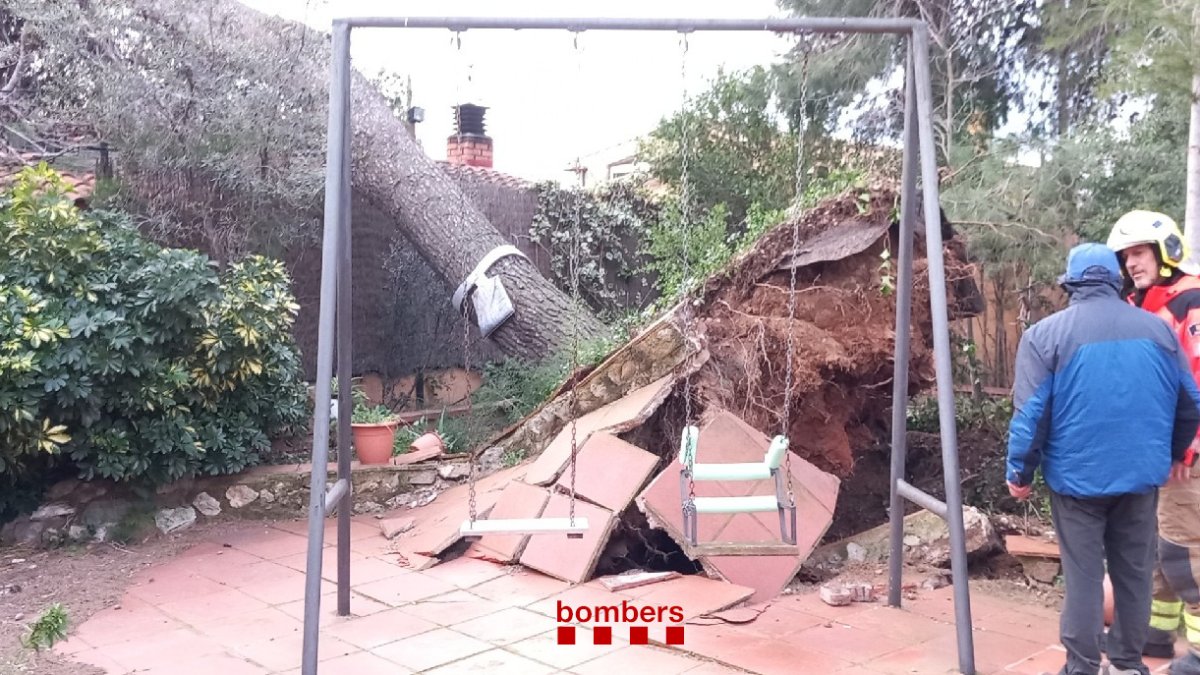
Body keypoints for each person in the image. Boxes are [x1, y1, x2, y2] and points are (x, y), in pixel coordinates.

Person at [1007, 242, 1200, 675]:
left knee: (1084, 576)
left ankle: (1082, 666)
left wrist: (1020, 471)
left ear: (1070, 284)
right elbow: (1190, 401)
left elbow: (1031, 415)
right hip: (1140, 479)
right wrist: (1172, 454)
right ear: (1117, 281)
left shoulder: (1045, 335)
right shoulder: (1158, 331)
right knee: (1134, 573)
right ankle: (1130, 664)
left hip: (1076, 482)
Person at [1108, 210, 1200, 671]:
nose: (1131, 263)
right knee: (1159, 545)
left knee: (1187, 549)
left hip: (1188, 454)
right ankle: (1157, 634)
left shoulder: (1191, 299)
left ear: (1166, 251)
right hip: (1155, 451)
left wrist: (1188, 443)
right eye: (1126, 256)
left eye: (1139, 252)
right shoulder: (1140, 302)